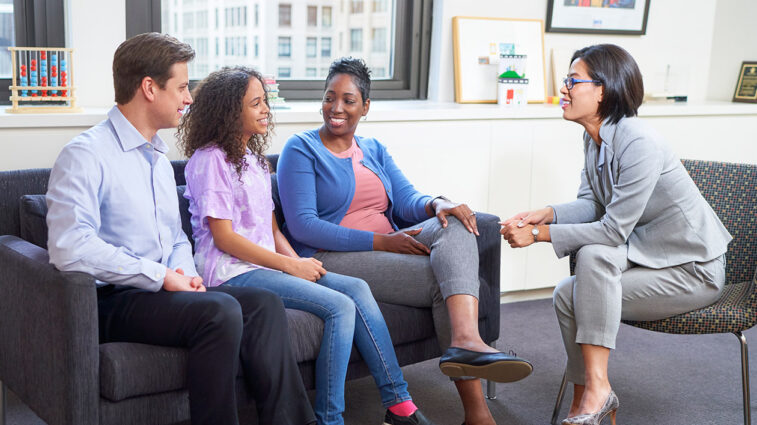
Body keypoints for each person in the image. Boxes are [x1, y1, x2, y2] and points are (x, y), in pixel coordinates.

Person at [45, 33, 315, 425]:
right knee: (220, 310)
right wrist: (161, 276)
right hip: (112, 299)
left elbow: (173, 237)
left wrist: (185, 273)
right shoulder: (85, 155)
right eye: (183, 87)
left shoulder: (156, 155)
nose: (189, 98)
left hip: (159, 289)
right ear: (149, 88)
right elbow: (69, 247)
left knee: (263, 304)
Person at [276, 57, 533, 425]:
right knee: (452, 285)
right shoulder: (301, 149)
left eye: (348, 100)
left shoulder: (374, 149)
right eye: (330, 97)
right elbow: (303, 227)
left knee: (454, 222)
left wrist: (437, 202)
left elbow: (409, 200)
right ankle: (478, 414)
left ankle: (465, 341)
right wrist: (383, 243)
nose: (336, 108)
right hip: (331, 255)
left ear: (365, 107)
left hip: (389, 242)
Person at [179, 66, 435, 425]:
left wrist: (298, 262)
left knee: (356, 288)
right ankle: (330, 419)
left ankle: (398, 403)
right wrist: (291, 267)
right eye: (256, 103)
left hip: (265, 266)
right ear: (228, 110)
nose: (266, 109)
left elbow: (270, 230)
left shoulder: (254, 161)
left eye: (265, 101)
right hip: (228, 272)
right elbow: (224, 238)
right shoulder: (209, 160)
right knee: (338, 307)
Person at [500, 44, 732, 425]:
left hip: (691, 269)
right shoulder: (594, 139)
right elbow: (592, 204)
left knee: (591, 261)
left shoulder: (638, 140)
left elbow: (612, 229)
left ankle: (596, 390)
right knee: (566, 292)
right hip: (649, 256)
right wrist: (549, 212)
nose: (564, 89)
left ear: (603, 90)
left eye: (573, 81)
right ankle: (585, 402)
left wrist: (540, 234)